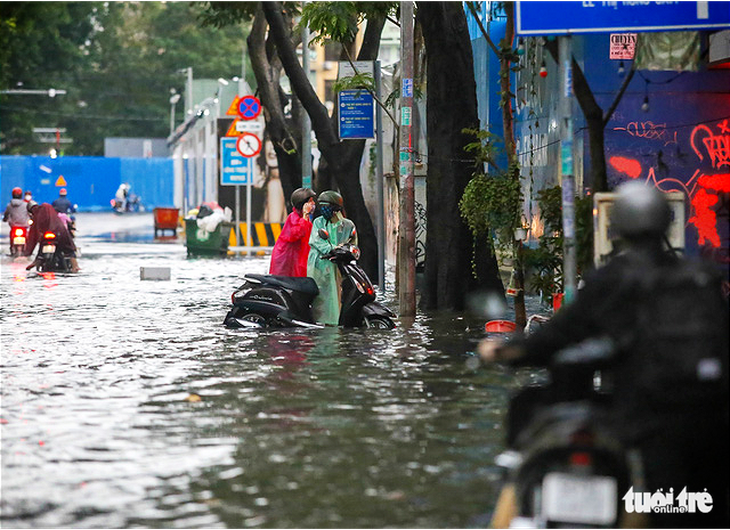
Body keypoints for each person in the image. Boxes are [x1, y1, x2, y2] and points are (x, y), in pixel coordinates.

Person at [479, 181, 728, 529]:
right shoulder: (702, 277)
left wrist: (505, 350)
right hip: (712, 423)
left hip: (647, 422)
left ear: (618, 225)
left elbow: (557, 336)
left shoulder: (613, 280)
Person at [307, 190, 357, 326]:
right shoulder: (319, 222)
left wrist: (348, 251)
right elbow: (316, 241)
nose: (323, 209)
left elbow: (353, 242)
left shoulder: (347, 225)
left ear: (336, 207)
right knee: (321, 295)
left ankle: (337, 321)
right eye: (321, 206)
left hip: (339, 265)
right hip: (320, 263)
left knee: (337, 294)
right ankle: (320, 321)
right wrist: (333, 249)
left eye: (326, 206)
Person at [269, 187, 316, 277]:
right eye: (311, 201)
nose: (313, 204)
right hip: (287, 261)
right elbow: (297, 233)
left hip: (298, 259)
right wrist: (305, 215)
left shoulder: (305, 220)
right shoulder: (293, 217)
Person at [25, 201, 80, 272]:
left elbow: (33, 236)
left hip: (50, 234)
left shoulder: (37, 214)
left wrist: (27, 253)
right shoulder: (47, 208)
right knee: (69, 248)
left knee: (42, 246)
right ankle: (75, 266)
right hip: (60, 232)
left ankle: (37, 261)